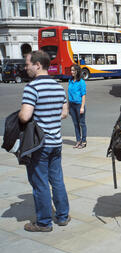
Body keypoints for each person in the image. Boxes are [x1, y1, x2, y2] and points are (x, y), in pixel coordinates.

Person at [19, 50, 70, 232]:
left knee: (39, 183)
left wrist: (20, 113)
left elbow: (25, 116)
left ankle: (44, 222)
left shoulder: (32, 87)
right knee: (57, 180)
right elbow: (64, 113)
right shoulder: (58, 87)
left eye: (28, 64)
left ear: (38, 65)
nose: (26, 68)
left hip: (39, 144)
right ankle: (63, 216)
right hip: (56, 142)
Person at [68, 64, 87, 149]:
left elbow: (83, 95)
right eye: (71, 70)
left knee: (82, 124)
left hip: (79, 105)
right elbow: (69, 94)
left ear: (77, 71)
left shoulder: (81, 82)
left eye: (73, 70)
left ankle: (84, 141)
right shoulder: (70, 81)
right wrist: (68, 106)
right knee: (75, 124)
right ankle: (78, 141)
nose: (72, 72)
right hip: (72, 105)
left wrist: (82, 107)